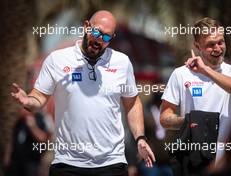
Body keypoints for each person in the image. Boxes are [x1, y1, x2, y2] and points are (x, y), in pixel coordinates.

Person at [11, 10, 155, 176]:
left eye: (106, 37)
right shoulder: (57, 59)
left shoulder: (122, 62)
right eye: (96, 32)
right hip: (68, 163)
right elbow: (39, 97)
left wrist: (140, 138)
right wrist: (28, 101)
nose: (99, 40)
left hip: (112, 163)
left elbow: (132, 102)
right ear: (87, 26)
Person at [160, 17, 231, 174]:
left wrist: (205, 70)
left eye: (220, 42)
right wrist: (190, 122)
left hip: (224, 162)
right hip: (191, 159)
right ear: (197, 45)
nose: (217, 48)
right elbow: (164, 118)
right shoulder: (180, 74)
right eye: (210, 45)